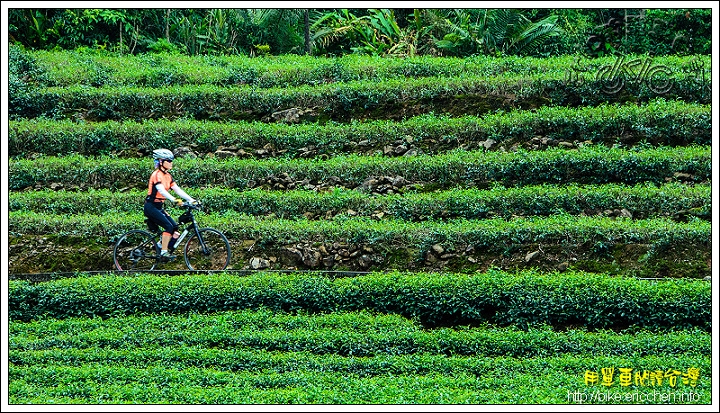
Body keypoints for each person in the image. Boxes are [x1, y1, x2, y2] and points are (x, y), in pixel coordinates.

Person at [144, 148, 197, 261]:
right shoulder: (156, 175)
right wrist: (174, 200)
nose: (171, 163)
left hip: (158, 207)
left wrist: (191, 200)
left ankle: (160, 246)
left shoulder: (168, 176)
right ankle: (163, 252)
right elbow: (161, 190)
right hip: (151, 206)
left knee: (175, 227)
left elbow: (177, 190)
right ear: (161, 162)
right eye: (169, 161)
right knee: (168, 226)